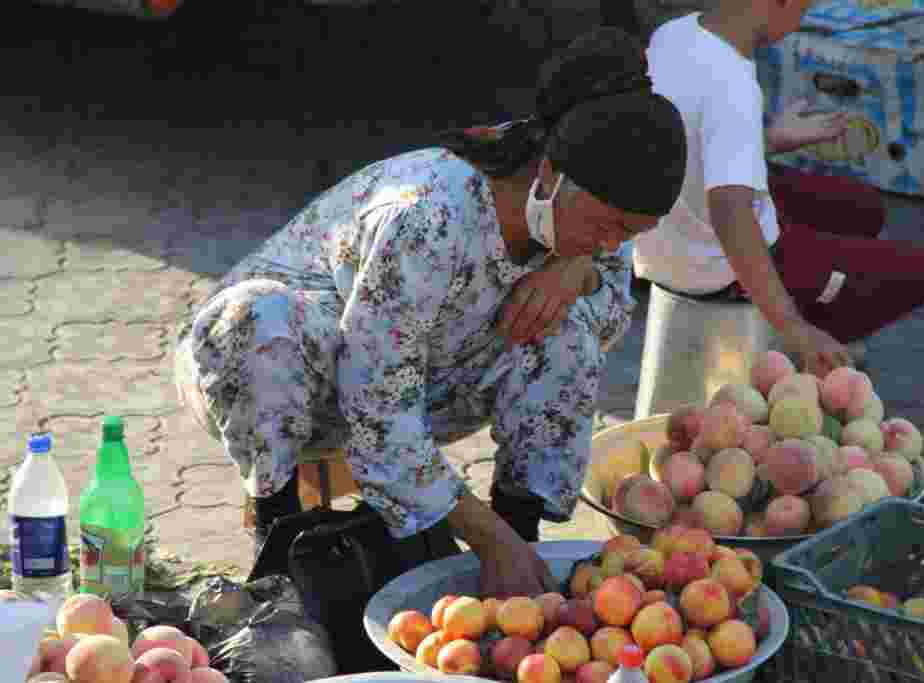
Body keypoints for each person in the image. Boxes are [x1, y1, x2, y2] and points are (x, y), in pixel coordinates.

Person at [174, 27, 687, 599]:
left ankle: (522, 550)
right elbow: (376, 409)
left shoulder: (589, 203)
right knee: (256, 320)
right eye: (608, 227)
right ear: (548, 176)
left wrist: (577, 267)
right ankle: (278, 535)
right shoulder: (427, 220)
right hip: (282, 376)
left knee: (565, 335)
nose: (613, 241)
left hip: (426, 376)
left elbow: (611, 312)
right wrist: (479, 534)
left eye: (630, 233)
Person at [632, 0, 924, 377]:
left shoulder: (673, 35)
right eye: (802, 8)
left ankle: (808, 301)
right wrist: (794, 328)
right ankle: (788, 348)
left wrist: (769, 139)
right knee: (918, 272)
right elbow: (731, 214)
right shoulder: (732, 85)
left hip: (668, 233)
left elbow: (687, 143)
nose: (800, 22)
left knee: (862, 208)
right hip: (716, 268)